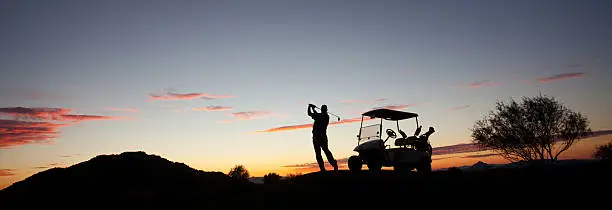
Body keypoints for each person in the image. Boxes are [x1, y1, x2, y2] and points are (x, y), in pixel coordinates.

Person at [308, 104, 338, 172]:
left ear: (322, 109)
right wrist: (313, 109)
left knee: (320, 153)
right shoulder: (326, 116)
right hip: (321, 137)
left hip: (318, 137)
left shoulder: (322, 116)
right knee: (325, 152)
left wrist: (310, 107)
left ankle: (325, 167)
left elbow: (309, 114)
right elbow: (315, 115)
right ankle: (333, 165)